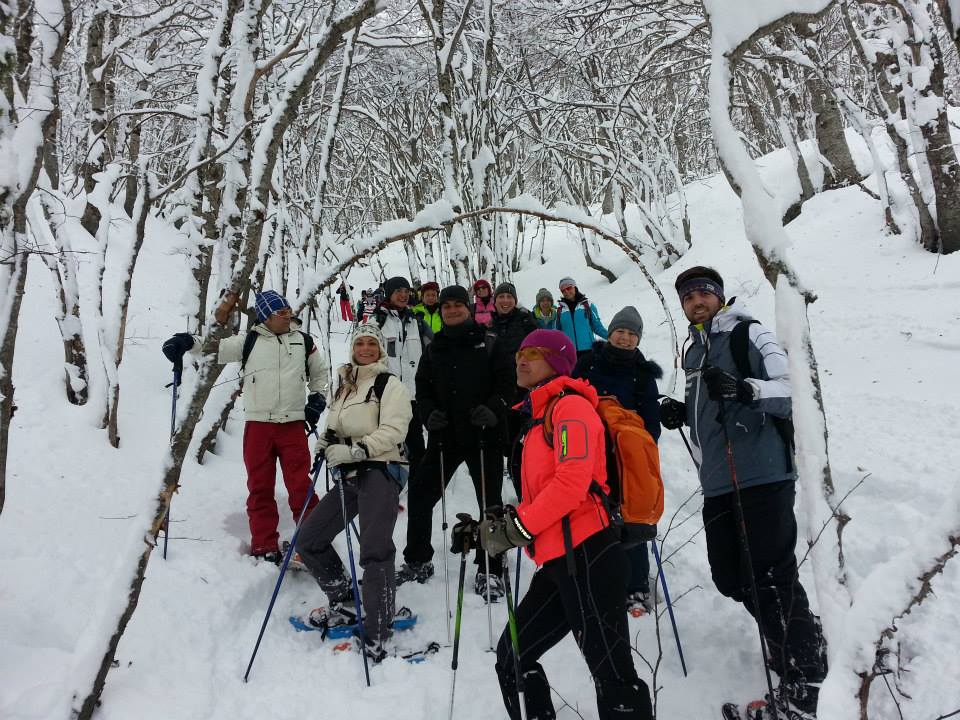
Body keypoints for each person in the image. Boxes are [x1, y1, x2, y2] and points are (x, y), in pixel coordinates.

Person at [660, 266, 827, 717]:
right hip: (718, 481)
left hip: (763, 475)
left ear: (719, 296)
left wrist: (746, 389)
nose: (696, 301)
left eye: (703, 293)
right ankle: (802, 636)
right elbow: (712, 412)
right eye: (688, 296)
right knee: (730, 577)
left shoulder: (748, 333)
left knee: (770, 576)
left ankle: (806, 684)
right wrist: (682, 414)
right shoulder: (693, 350)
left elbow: (795, 392)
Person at [469, 328, 653, 720]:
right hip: (557, 561)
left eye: (534, 353)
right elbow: (541, 497)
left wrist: (516, 530)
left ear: (557, 361)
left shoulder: (571, 408)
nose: (522, 359)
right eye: (520, 353)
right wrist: (490, 528)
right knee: (512, 657)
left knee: (613, 676)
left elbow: (572, 483)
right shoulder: (535, 420)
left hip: (589, 554)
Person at [161, 290, 329, 562]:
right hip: (258, 427)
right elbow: (213, 347)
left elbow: (320, 373)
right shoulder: (248, 341)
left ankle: (312, 543)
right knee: (260, 487)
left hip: (292, 425)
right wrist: (187, 341)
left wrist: (317, 399)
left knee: (300, 486)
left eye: (288, 311)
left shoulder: (303, 341)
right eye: (281, 313)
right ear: (266, 317)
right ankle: (264, 545)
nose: (287, 316)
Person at [297, 324, 413, 662]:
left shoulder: (390, 385)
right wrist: (326, 441)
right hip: (349, 472)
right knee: (309, 540)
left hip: (381, 470)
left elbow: (395, 429)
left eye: (371, 343)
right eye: (359, 343)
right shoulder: (345, 386)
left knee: (375, 551)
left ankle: (378, 628)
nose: (365, 348)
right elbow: (335, 426)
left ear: (380, 349)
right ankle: (346, 598)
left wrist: (357, 450)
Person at [399, 284, 516, 601]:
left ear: (468, 308)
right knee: (421, 496)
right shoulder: (434, 348)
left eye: (458, 305)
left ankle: (491, 568)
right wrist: (428, 413)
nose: (452, 310)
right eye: (447, 305)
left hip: (484, 436)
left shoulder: (490, 343)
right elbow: (422, 387)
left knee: (490, 504)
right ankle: (418, 559)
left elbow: (508, 384)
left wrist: (493, 409)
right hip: (446, 436)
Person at [572, 306, 662, 616]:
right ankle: (595, 577)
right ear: (609, 333)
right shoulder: (588, 363)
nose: (625, 338)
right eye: (620, 331)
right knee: (589, 513)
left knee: (631, 516)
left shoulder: (643, 373)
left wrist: (636, 446)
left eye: (632, 334)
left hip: (626, 457)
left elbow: (652, 422)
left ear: (638, 339)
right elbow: (569, 400)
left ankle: (636, 585)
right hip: (589, 452)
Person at [372, 276, 432, 476]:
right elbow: (364, 357)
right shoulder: (377, 322)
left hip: (412, 396)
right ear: (389, 294)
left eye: (406, 291)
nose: (403, 295)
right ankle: (387, 484)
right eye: (398, 291)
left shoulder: (417, 322)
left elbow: (432, 352)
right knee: (387, 445)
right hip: (386, 397)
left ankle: (418, 485)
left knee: (417, 447)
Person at [556, 277, 607, 356]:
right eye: (563, 290)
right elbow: (557, 332)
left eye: (569, 288)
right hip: (569, 352)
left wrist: (612, 338)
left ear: (575, 287)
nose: (566, 292)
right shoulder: (560, 311)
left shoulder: (588, 305)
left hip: (588, 350)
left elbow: (597, 327)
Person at [490, 282, 539, 356]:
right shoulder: (488, 323)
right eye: (501, 296)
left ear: (515, 301)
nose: (505, 300)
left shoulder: (526, 320)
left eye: (509, 297)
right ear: (495, 301)